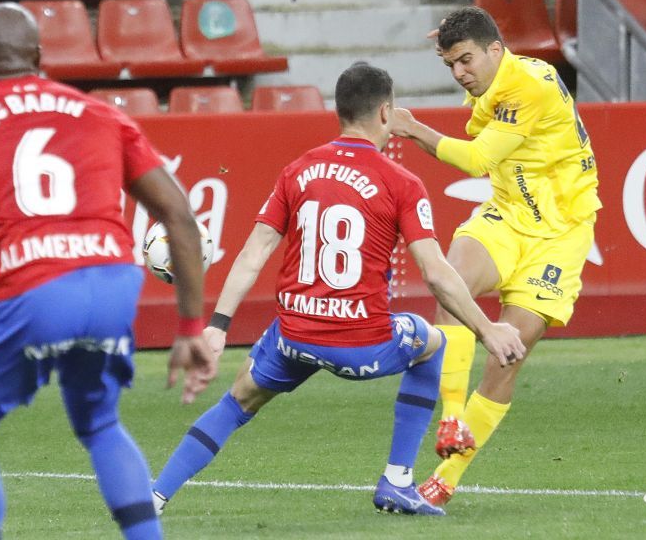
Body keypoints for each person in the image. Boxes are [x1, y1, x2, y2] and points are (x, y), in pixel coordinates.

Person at [0, 3, 217, 539]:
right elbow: (179, 215)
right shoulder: (102, 114)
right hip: (111, 285)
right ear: (39, 58)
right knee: (100, 423)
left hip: (29, 288)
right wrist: (187, 328)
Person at [150, 62, 525, 517]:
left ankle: (154, 496)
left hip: (295, 336)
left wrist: (218, 326)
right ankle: (398, 481)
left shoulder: (298, 170)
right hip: (359, 344)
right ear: (385, 113)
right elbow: (436, 273)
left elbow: (252, 254)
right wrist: (488, 330)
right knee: (433, 341)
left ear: (339, 111)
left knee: (240, 398)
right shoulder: (401, 182)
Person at [392, 6, 602, 505]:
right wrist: (461, 32)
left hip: (561, 233)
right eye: (450, 66)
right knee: (451, 282)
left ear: (495, 49)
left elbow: (478, 158)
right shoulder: (491, 81)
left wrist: (413, 127)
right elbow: (484, 143)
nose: (460, 73)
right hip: (508, 214)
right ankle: (449, 417)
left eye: (466, 60)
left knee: (508, 354)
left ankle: (446, 478)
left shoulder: (527, 85)